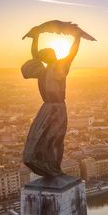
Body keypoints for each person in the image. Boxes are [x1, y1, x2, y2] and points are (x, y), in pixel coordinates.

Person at [21, 28, 80, 177]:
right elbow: (35, 56)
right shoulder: (43, 71)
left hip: (57, 108)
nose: (48, 55)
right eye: (47, 54)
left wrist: (77, 38)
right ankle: (46, 166)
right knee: (38, 140)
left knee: (54, 139)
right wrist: (36, 37)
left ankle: (54, 168)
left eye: (48, 53)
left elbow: (72, 54)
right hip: (47, 108)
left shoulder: (60, 67)